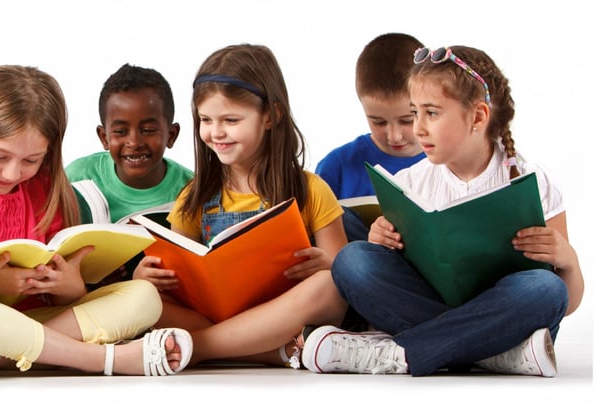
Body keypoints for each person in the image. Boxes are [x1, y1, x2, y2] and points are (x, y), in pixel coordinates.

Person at [0, 64, 193, 378]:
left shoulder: (44, 188)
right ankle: (104, 359)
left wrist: (71, 288)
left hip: (21, 324)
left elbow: (55, 292)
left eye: (31, 160)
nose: (12, 173)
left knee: (143, 297)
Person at [302, 45, 584, 377]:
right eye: (415, 112)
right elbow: (384, 271)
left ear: (477, 116)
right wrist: (381, 242)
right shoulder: (410, 182)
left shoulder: (532, 181)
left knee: (546, 288)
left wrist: (567, 259)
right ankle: (495, 354)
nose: (418, 128)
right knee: (353, 260)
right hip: (466, 316)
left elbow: (569, 301)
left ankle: (402, 353)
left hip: (508, 310)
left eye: (431, 113)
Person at [134, 44, 348, 368]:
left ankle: (200, 347)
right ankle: (269, 352)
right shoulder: (195, 196)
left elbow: (344, 274)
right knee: (143, 298)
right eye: (206, 119)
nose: (216, 132)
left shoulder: (310, 189)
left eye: (231, 120)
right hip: (221, 311)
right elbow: (180, 273)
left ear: (271, 116)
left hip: (284, 309)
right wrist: (146, 275)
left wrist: (327, 264)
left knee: (329, 286)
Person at [66, 63, 193, 283]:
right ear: (104, 137)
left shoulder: (192, 189)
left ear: (171, 135)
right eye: (120, 132)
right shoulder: (79, 176)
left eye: (148, 130)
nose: (134, 142)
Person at [315, 33, 426, 241]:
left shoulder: (451, 162)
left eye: (406, 120)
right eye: (379, 122)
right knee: (340, 219)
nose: (394, 136)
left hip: (430, 268)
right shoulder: (336, 166)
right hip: (360, 265)